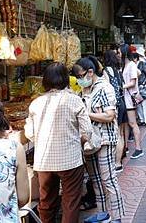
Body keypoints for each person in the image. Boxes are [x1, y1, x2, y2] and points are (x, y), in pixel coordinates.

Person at [24, 62, 94, 223]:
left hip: (44, 162)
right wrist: (80, 142)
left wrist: (42, 140)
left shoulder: (36, 103)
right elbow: (87, 131)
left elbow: (29, 134)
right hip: (70, 160)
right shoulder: (74, 101)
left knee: (46, 202)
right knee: (70, 202)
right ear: (65, 79)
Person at [75, 57, 125, 223]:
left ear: (90, 72)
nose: (79, 80)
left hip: (104, 139)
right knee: (95, 180)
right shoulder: (83, 90)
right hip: (89, 141)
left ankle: (116, 217)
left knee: (108, 179)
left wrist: (86, 114)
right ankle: (103, 215)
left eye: (80, 76)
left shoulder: (104, 88)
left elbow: (110, 116)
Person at [103, 50, 127, 172]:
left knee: (116, 134)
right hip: (121, 102)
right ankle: (120, 159)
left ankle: (117, 163)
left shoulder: (106, 71)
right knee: (120, 133)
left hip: (115, 104)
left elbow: (107, 89)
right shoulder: (117, 70)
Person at [121, 44, 144, 159]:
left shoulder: (130, 65)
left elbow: (132, 82)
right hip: (126, 98)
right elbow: (139, 73)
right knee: (127, 124)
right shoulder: (126, 65)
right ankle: (125, 147)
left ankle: (138, 148)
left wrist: (122, 86)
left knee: (132, 123)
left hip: (130, 98)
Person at [132, 51, 146, 128]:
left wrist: (143, 83)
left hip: (143, 86)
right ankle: (142, 119)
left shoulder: (141, 64)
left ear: (135, 59)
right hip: (137, 86)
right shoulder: (134, 65)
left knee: (145, 103)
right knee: (139, 103)